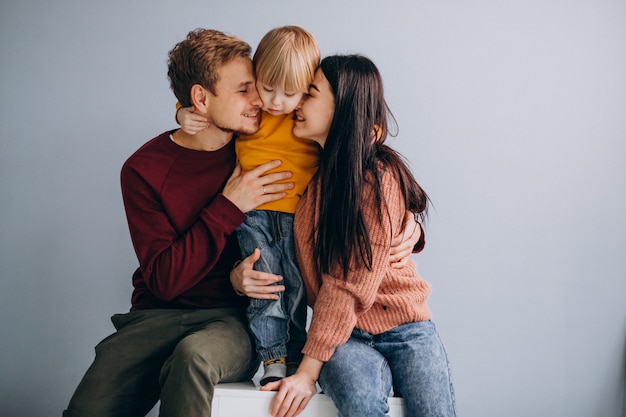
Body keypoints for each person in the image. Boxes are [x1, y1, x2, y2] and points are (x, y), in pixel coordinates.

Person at [62, 28, 294, 417]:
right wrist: (228, 205)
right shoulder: (144, 169)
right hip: (154, 316)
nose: (259, 101)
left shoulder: (258, 150)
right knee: (88, 410)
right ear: (200, 99)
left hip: (229, 322)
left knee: (193, 358)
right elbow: (165, 281)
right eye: (243, 90)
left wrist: (408, 226)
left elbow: (334, 133)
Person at [258, 54, 458, 417]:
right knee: (360, 404)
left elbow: (349, 281)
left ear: (343, 107)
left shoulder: (377, 175)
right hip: (342, 334)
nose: (296, 103)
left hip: (406, 326)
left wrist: (306, 372)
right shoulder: (307, 179)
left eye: (311, 94)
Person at [178, 25, 321, 386]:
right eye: (265, 87)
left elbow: (351, 127)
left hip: (300, 218)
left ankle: (296, 359)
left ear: (305, 90)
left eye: (288, 93)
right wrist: (182, 112)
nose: (273, 102)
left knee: (296, 289)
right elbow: (211, 107)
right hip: (252, 215)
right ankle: (273, 360)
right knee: (266, 285)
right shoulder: (251, 115)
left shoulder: (304, 115)